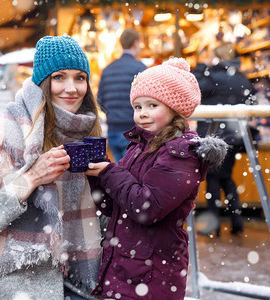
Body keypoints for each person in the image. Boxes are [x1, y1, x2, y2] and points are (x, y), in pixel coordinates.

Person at [0, 35, 103, 299]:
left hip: (73, 282)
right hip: (10, 285)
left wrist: (109, 182)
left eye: (80, 78)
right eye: (59, 77)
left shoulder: (85, 137)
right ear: (42, 84)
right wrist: (31, 178)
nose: (72, 88)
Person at [85, 58, 228, 299]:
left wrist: (108, 172)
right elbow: (116, 206)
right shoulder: (139, 147)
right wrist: (96, 177)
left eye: (152, 105)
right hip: (127, 267)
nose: (142, 114)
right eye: (138, 107)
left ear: (174, 109)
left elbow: (145, 207)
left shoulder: (181, 155)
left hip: (153, 273)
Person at [193, 43, 255, 236]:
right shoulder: (242, 79)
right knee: (227, 178)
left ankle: (214, 225)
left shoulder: (210, 77)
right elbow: (250, 99)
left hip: (214, 136)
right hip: (236, 136)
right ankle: (237, 222)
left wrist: (202, 66)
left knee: (212, 179)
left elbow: (195, 89)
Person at [97, 28, 146, 162]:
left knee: (120, 169)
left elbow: (99, 99)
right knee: (130, 172)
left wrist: (111, 114)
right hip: (132, 129)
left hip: (112, 128)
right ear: (136, 43)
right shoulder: (139, 68)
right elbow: (147, 99)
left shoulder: (107, 69)